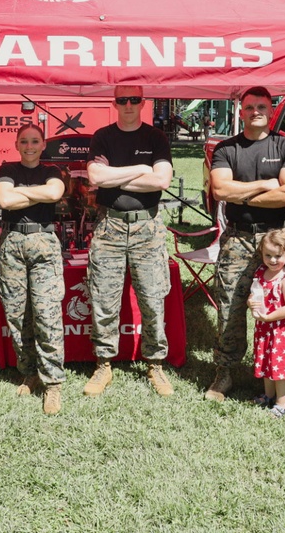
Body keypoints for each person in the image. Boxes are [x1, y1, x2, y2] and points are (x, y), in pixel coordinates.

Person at [205, 86, 285, 408]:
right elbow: (220, 189)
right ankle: (225, 372)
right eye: (249, 107)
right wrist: (267, 184)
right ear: (241, 111)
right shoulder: (226, 149)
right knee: (230, 306)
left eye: (261, 106)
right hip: (238, 237)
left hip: (278, 237)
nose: (255, 112)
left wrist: (244, 192)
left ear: (271, 109)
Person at [83, 85, 174, 397]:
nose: (129, 105)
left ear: (143, 102)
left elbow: (161, 180)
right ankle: (103, 364)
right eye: (122, 100)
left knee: (152, 298)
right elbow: (96, 177)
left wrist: (116, 175)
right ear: (115, 103)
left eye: (134, 99)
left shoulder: (155, 138)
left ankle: (155, 364)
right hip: (110, 226)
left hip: (147, 228)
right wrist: (139, 169)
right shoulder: (103, 137)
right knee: (104, 298)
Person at [0, 124, 67, 415]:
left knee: (47, 313)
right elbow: (4, 200)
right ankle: (30, 371)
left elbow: (55, 194)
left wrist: (22, 192)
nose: (30, 145)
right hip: (12, 243)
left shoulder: (52, 171)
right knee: (17, 312)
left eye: (35, 140)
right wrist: (39, 194)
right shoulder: (6, 168)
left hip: (44, 242)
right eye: (24, 141)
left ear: (43, 143)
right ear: (16, 144)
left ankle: (53, 383)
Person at [248, 229, 285, 419]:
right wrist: (250, 302)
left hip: (281, 330)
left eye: (277, 256)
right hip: (264, 329)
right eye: (268, 255)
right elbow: (254, 295)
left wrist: (270, 317)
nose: (272, 260)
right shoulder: (261, 273)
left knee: (280, 368)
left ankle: (281, 403)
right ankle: (268, 396)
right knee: (265, 362)